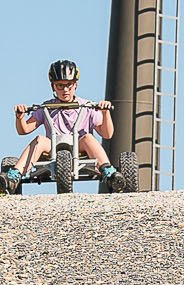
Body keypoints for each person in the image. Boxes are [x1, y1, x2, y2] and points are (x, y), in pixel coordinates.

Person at [7, 60, 115, 191]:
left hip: (80, 148)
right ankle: (14, 175)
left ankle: (108, 171)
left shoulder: (87, 106)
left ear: (75, 85)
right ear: (53, 87)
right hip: (52, 148)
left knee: (88, 138)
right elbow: (24, 130)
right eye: (60, 85)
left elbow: (107, 134)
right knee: (40, 140)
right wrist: (20, 117)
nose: (65, 90)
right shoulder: (47, 107)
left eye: (69, 85)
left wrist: (105, 112)